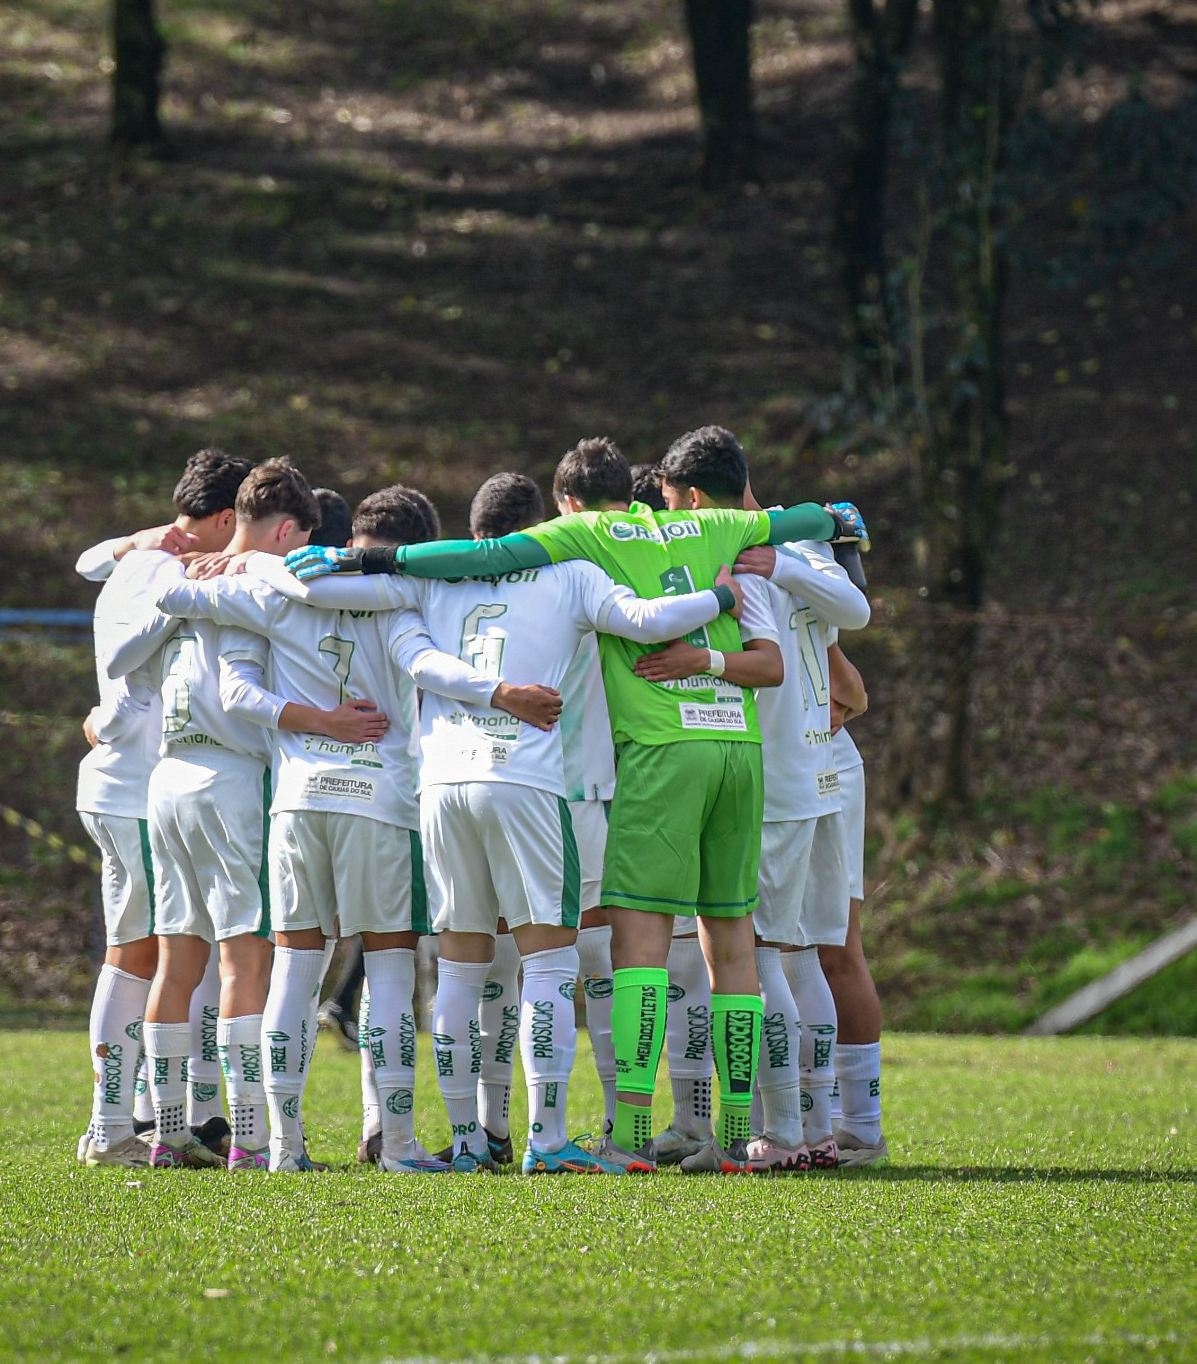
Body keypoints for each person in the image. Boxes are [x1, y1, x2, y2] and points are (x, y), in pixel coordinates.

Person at [290, 438, 866, 1172]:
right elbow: (797, 562)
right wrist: (829, 523)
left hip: (586, 767)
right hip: (722, 756)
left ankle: (558, 1132)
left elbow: (477, 568)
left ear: (565, 504)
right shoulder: (717, 530)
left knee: (586, 958)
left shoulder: (578, 544)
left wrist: (359, 558)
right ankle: (737, 1132)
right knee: (732, 952)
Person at [158, 486, 458, 1173]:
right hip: (380, 801)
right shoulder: (412, 597)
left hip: (296, 801)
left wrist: (236, 564)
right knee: (388, 970)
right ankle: (399, 1144)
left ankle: (284, 1148)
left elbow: (170, 598)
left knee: (294, 971)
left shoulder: (280, 588)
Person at [656, 427, 871, 1173]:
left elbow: (775, 658)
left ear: (688, 496)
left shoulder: (748, 560)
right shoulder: (803, 540)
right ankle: (814, 1129)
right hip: (822, 778)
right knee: (804, 955)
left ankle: (777, 1136)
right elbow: (856, 611)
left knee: (764, 957)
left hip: (776, 783)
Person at [100, 458, 318, 1169]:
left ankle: (165, 1132)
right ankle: (251, 1139)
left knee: (177, 957)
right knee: (243, 956)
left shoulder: (181, 577)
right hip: (232, 776)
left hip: (167, 780)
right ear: (284, 530)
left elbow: (125, 654)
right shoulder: (256, 578)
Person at [76, 449, 250, 1169]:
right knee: (136, 956)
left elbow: (93, 565)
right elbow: (123, 663)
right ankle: (110, 1128)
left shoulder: (139, 561)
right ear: (223, 518)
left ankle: (159, 1121)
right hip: (135, 789)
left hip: (135, 786)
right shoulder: (167, 573)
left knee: (164, 954)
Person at [818, 643, 886, 1166]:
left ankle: (861, 1128)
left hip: (821, 770)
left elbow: (852, 692)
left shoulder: (790, 570)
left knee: (834, 945)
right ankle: (807, 1121)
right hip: (754, 765)